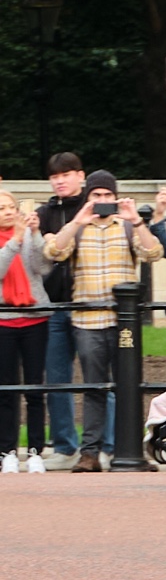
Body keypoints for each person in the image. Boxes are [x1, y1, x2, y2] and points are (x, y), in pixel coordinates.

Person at [40, 170, 164, 470]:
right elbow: (53, 250)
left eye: (108, 195)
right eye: (97, 195)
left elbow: (154, 253)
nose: (103, 201)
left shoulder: (126, 226)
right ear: (88, 197)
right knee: (94, 388)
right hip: (87, 320)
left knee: (129, 386)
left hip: (124, 323)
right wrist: (77, 221)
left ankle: (131, 450)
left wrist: (136, 220)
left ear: (116, 196)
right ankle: (90, 453)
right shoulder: (79, 228)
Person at [34, 153, 87, 461]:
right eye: (55, 176)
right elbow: (40, 257)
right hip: (54, 305)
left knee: (101, 380)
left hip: (90, 305)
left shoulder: (94, 208)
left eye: (66, 174)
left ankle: (105, 446)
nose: (60, 180)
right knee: (56, 379)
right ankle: (65, 446)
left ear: (81, 175)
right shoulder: (43, 213)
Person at [0, 192, 54, 472]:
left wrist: (35, 235)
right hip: (3, 321)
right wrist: (15, 241)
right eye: (2, 208)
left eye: (12, 207)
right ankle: (7, 450)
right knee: (6, 390)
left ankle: (35, 451)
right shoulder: (12, 240)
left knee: (35, 388)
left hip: (34, 319)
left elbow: (42, 267)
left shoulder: (27, 233)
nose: (9, 212)